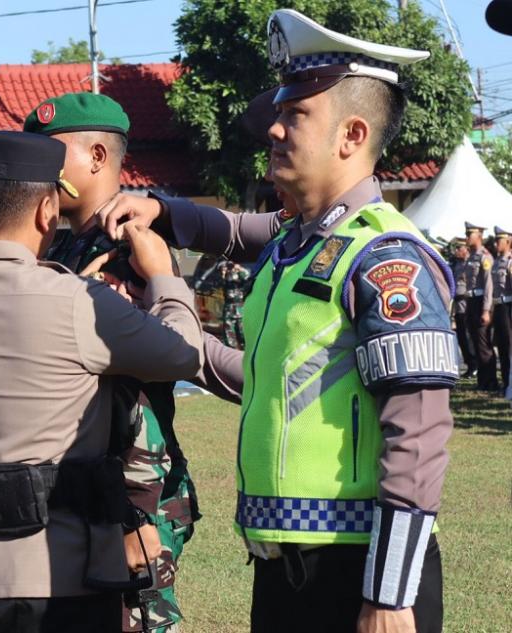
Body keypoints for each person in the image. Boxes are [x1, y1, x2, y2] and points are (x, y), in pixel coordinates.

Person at [96, 9, 457, 633]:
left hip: (361, 574)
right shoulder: (300, 243)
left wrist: (391, 593)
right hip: (284, 569)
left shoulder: (385, 257)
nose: (274, 129)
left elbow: (419, 431)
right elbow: (271, 365)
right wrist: (160, 210)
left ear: (351, 135)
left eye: (296, 115)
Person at [0, 130, 204, 633]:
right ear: (46, 209)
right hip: (61, 575)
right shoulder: (77, 302)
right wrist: (165, 280)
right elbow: (184, 354)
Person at [24, 92, 199, 632]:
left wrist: (138, 513)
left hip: (132, 488)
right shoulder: (63, 253)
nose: (37, 169)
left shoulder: (136, 246)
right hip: (80, 487)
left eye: (47, 154)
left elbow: (164, 364)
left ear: (97, 157)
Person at [465, 222, 497, 390]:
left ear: (479, 236)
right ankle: (482, 381)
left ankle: (490, 381)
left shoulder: (485, 257)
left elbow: (489, 286)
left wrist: (486, 310)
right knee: (476, 344)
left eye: (470, 234)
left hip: (480, 303)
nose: (467, 237)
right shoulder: (471, 256)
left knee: (484, 344)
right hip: (471, 301)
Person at [449, 237, 477, 378]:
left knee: (469, 337)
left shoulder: (470, 264)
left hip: (468, 306)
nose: (456, 251)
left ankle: (474, 365)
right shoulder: (456, 264)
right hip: (458, 307)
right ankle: (469, 364)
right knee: (461, 338)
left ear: (466, 249)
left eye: (459, 248)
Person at [491, 225, 512, 397]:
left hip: (507, 308)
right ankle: (505, 383)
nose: (496, 243)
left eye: (499, 240)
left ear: (509, 242)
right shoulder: (496, 261)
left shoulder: (510, 262)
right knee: (502, 348)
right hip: (497, 307)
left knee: (509, 346)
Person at [218, 259, 249, 349]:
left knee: (241, 329)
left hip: (239, 306)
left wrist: (240, 269)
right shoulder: (224, 274)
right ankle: (231, 348)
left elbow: (247, 278)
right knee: (228, 328)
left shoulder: (239, 274)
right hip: (229, 306)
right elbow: (220, 283)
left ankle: (245, 347)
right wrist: (223, 273)